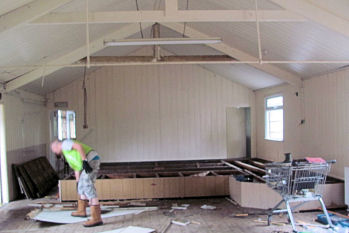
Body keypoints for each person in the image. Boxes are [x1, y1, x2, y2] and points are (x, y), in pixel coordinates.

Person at [51, 139, 103, 227]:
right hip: (87, 162)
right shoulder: (67, 154)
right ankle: (81, 211)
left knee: (87, 185)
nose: (54, 152)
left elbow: (79, 146)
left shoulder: (64, 144)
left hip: (91, 160)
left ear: (56, 146)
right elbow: (76, 168)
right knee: (81, 187)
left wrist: (84, 160)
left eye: (54, 150)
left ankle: (97, 217)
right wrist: (78, 182)